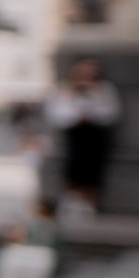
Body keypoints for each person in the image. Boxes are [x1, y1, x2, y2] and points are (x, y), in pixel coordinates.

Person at [43, 56, 121, 216]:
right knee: (73, 165)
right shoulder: (65, 89)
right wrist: (77, 116)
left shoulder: (103, 90)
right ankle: (73, 198)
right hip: (73, 136)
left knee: (92, 168)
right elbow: (56, 114)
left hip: (96, 136)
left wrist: (91, 114)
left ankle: (88, 201)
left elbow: (111, 113)